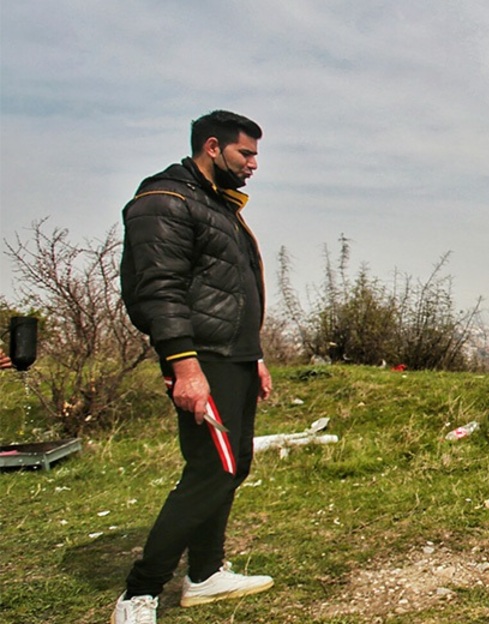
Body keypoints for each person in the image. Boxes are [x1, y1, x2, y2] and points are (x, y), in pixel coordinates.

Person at [114, 110, 275, 623]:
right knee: (213, 468)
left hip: (234, 357)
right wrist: (184, 366)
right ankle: (139, 593)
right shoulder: (166, 200)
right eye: (245, 153)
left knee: (231, 466)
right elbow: (158, 291)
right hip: (202, 358)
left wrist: (256, 355)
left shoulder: (215, 205)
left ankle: (204, 573)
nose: (253, 164)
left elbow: (226, 289)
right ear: (212, 147)